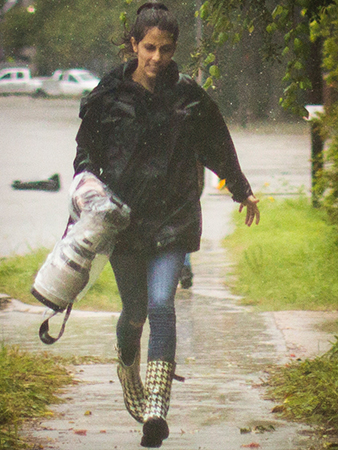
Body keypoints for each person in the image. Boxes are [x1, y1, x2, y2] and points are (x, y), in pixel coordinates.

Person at [73, 2, 260, 447]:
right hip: (123, 222)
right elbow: (85, 158)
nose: (158, 58)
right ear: (134, 45)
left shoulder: (189, 96)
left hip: (174, 217)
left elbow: (218, 144)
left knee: (162, 305)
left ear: (175, 49)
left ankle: (157, 404)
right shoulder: (107, 96)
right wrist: (88, 197)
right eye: (150, 48)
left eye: (167, 49)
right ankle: (126, 365)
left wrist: (242, 188)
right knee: (135, 311)